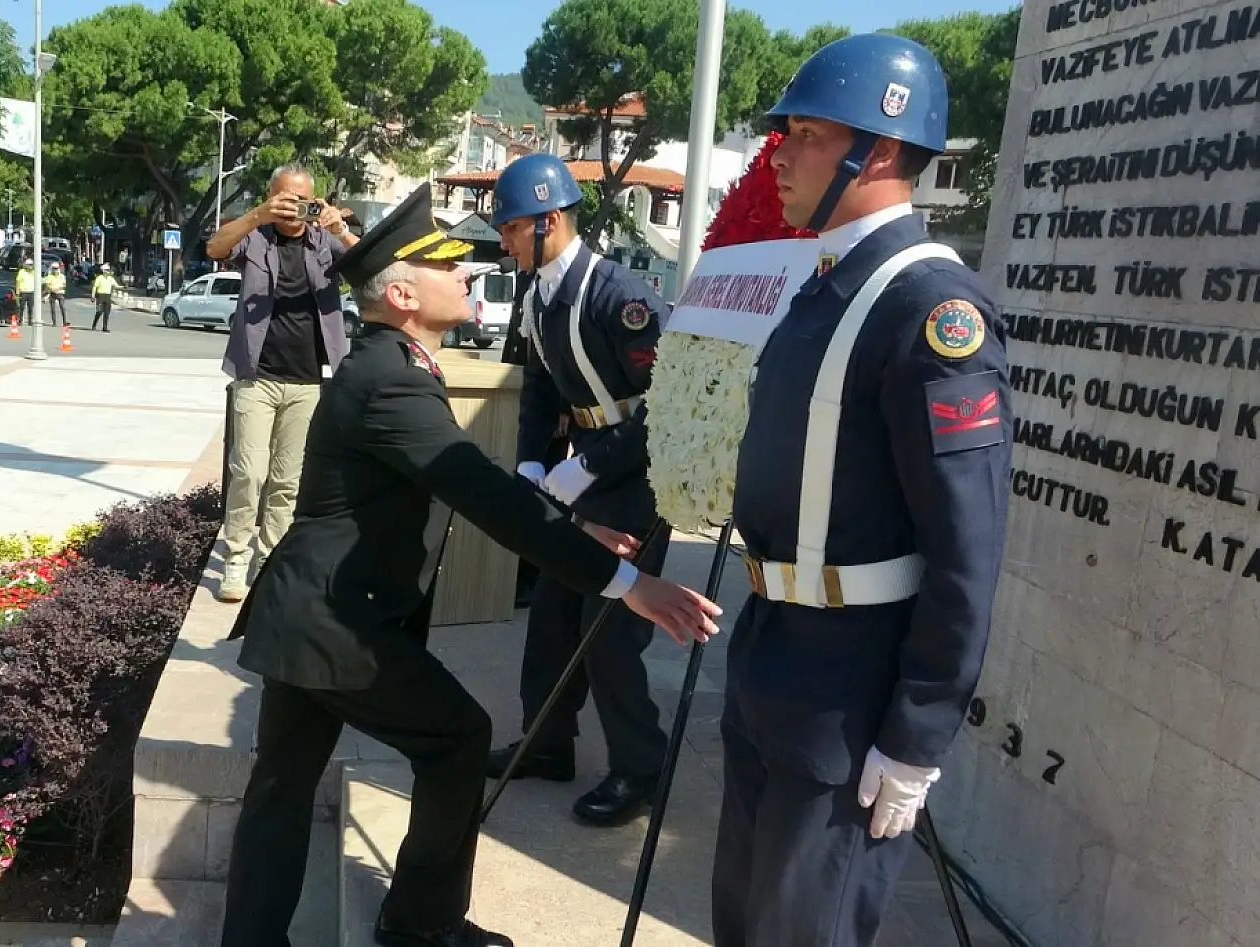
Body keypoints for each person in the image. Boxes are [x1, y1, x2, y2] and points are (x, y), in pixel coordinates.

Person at [217, 182, 723, 947]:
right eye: (446, 265)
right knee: (457, 740)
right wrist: (626, 581)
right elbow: (483, 491)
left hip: (308, 610)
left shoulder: (389, 363)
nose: (466, 272)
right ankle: (420, 926)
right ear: (401, 294)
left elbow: (470, 483)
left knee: (282, 790)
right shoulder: (390, 377)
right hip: (331, 622)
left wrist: (574, 524)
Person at [711, 33, 1012, 947]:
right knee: (744, 922)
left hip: (849, 683)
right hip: (774, 652)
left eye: (806, 134)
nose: (780, 153)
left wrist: (917, 733)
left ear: (877, 150)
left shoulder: (932, 309)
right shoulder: (825, 286)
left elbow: (966, 547)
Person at [482, 152, 673, 828]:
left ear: (551, 220)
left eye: (512, 228)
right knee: (553, 614)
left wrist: (589, 466)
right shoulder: (538, 294)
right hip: (581, 470)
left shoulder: (621, 298)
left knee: (609, 628)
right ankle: (546, 741)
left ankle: (639, 766)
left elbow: (666, 405)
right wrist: (533, 464)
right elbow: (539, 388)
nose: (505, 242)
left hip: (636, 477)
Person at [204, 164, 360, 603]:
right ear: (272, 196)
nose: (295, 208)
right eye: (286, 198)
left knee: (288, 481)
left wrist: (341, 230)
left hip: (308, 380)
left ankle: (271, 561)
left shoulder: (325, 240)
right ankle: (236, 557)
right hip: (257, 376)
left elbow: (371, 271)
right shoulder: (255, 235)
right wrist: (257, 215)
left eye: (303, 200)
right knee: (248, 473)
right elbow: (215, 248)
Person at [90, 263, 117, 331]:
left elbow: (116, 285)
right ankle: (94, 324)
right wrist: (93, 296)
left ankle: (105, 327)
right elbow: (94, 287)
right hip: (100, 296)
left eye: (109, 270)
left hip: (107, 296)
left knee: (107, 313)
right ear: (104, 271)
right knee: (99, 311)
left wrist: (123, 287)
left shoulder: (110, 278)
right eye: (107, 270)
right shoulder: (99, 278)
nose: (108, 271)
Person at [14, 257, 36, 325]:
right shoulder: (22, 272)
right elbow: (18, 282)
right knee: (21, 307)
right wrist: (17, 292)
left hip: (31, 292)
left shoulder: (34, 272)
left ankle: (30, 321)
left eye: (31, 264)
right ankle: (20, 320)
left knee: (30, 308)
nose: (30, 266)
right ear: (26, 265)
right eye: (29, 264)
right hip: (23, 292)